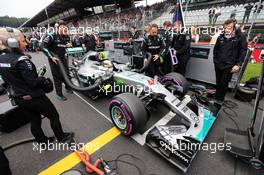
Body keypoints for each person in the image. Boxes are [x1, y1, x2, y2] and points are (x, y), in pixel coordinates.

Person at [0, 27, 74, 144]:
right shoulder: (22, 60)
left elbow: (6, 80)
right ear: (13, 43)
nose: (26, 43)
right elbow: (33, 82)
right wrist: (43, 80)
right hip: (34, 97)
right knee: (54, 116)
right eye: (23, 41)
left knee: (35, 121)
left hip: (18, 97)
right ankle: (62, 137)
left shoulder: (1, 59)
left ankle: (43, 142)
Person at [213, 19, 247, 103]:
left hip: (230, 65)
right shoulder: (220, 37)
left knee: (224, 83)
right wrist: (215, 60)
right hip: (218, 64)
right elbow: (215, 50)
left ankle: (220, 100)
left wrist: (238, 65)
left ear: (234, 27)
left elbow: (243, 51)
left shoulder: (240, 37)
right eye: (226, 27)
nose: (227, 29)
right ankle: (216, 98)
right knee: (218, 82)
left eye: (229, 27)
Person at [42, 20, 73, 101]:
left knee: (66, 73)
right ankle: (59, 94)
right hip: (54, 59)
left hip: (63, 58)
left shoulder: (66, 36)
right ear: (58, 28)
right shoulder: (51, 36)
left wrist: (67, 46)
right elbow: (43, 46)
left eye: (65, 27)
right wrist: (51, 57)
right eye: (62, 27)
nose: (64, 28)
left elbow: (64, 45)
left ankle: (68, 87)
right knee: (57, 76)